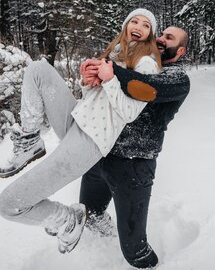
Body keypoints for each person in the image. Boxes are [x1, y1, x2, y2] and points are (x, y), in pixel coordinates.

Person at [0, 9, 161, 254]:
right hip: (77, 120)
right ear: (126, 25)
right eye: (134, 21)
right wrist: (87, 82)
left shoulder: (146, 63)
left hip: (91, 141)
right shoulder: (117, 53)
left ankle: (67, 220)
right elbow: (96, 101)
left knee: (9, 205)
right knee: (38, 70)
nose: (138, 26)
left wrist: (109, 79)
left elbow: (129, 113)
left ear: (150, 34)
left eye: (145, 25)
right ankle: (29, 140)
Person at [78, 26, 190, 269]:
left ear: (180, 50)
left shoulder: (176, 78)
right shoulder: (137, 64)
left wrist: (108, 67)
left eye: (169, 38)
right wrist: (90, 79)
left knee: (134, 251)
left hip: (133, 165)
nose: (160, 39)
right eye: (161, 34)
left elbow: (144, 86)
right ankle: (106, 242)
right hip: (101, 153)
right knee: (90, 215)